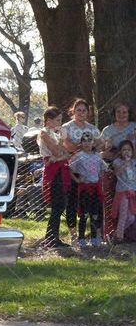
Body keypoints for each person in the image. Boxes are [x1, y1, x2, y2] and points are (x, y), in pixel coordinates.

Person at [60, 98, 100, 242]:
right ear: (73, 111)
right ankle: (73, 234)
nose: (81, 113)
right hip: (73, 168)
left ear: (88, 112)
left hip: (89, 172)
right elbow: (67, 146)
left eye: (84, 110)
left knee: (89, 203)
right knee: (72, 201)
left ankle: (92, 233)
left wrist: (89, 146)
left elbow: (99, 142)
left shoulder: (92, 128)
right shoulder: (66, 127)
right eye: (78, 110)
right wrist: (83, 146)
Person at [98, 103, 134, 238]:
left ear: (129, 114)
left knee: (130, 202)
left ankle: (130, 233)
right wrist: (110, 152)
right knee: (111, 200)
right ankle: (110, 232)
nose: (122, 115)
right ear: (114, 114)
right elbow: (102, 151)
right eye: (118, 112)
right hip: (112, 169)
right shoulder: (107, 130)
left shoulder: (134, 127)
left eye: (125, 112)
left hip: (132, 170)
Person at [38, 106, 72, 249]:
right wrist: (60, 151)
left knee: (61, 203)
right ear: (49, 120)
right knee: (57, 204)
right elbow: (57, 151)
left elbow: (67, 153)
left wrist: (61, 154)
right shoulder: (44, 133)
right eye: (57, 120)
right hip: (53, 171)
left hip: (60, 168)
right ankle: (51, 238)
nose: (60, 123)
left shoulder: (55, 132)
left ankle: (53, 237)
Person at [69, 132, 108, 247]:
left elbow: (103, 168)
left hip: (95, 188)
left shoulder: (97, 155)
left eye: (89, 140)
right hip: (85, 188)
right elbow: (70, 169)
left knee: (95, 214)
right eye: (84, 141)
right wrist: (77, 180)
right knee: (84, 213)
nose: (87, 143)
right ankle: (81, 238)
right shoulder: (78, 156)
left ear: (93, 142)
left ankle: (94, 237)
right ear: (81, 143)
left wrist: (99, 178)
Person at [110, 140, 136, 242]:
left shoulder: (134, 162)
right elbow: (117, 172)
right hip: (123, 192)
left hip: (133, 191)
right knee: (123, 214)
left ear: (132, 152)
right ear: (120, 152)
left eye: (129, 150)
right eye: (124, 150)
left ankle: (118, 233)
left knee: (132, 217)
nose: (126, 152)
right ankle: (119, 237)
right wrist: (125, 162)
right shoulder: (117, 161)